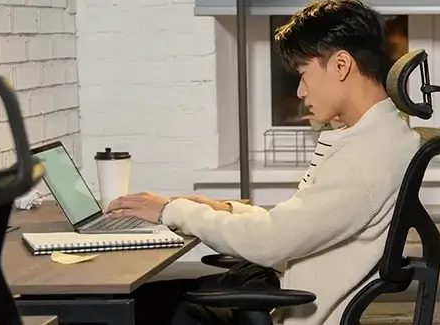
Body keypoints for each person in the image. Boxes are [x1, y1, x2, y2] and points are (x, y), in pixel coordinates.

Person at [105, 1, 421, 324]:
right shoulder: (382, 135)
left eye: (303, 74)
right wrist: (220, 208)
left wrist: (169, 210)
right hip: (281, 284)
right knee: (146, 299)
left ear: (341, 65)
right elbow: (295, 225)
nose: (300, 91)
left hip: (286, 305)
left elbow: (270, 242)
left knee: (128, 308)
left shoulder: (365, 156)